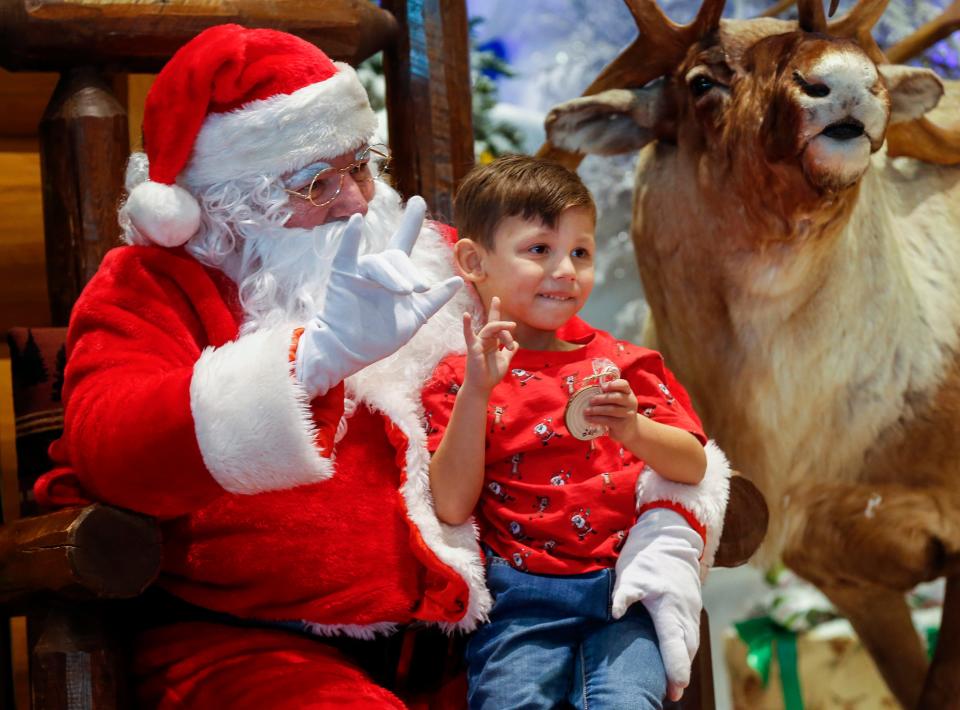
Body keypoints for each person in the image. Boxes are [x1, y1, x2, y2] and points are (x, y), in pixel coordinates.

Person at [37, 24, 729, 710]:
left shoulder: (436, 258)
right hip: (256, 651)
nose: (357, 200)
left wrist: (665, 521)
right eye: (317, 184)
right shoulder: (151, 285)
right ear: (230, 204)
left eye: (360, 165)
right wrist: (313, 359)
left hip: (486, 637)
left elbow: (591, 368)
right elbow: (109, 446)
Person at [423, 155, 729, 709]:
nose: (565, 270)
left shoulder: (623, 363)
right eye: (540, 249)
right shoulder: (457, 377)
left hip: (623, 593)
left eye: (580, 252)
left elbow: (694, 466)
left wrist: (633, 428)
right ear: (474, 260)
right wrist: (476, 392)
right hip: (519, 599)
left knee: (629, 701)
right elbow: (449, 505)